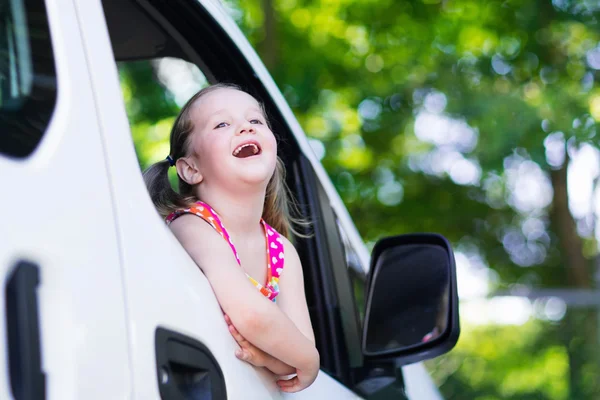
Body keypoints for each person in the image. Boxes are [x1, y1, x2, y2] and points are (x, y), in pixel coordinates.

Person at [143, 83, 319, 393]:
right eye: (222, 124)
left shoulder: (282, 251)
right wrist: (311, 362)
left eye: (255, 121)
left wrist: (278, 357)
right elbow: (253, 316)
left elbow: (295, 352)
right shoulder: (193, 226)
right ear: (190, 168)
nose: (244, 128)